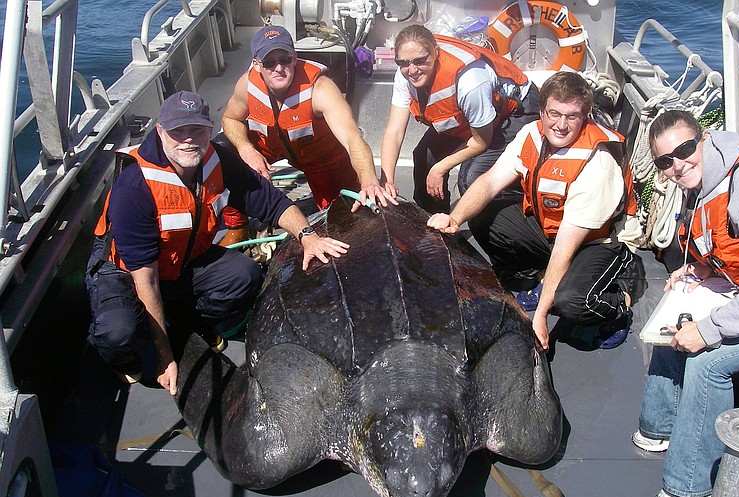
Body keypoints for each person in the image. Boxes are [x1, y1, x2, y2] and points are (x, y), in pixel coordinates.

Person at [86, 91, 349, 396]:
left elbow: (271, 202)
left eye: (196, 130)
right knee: (119, 333)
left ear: (209, 130)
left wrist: (308, 236)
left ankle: (184, 319)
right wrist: (165, 355)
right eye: (178, 131)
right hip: (125, 273)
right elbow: (145, 279)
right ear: (159, 131)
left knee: (244, 276)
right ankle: (126, 352)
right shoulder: (135, 186)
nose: (188, 140)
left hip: (182, 262)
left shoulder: (217, 159)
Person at [632, 110, 739, 497]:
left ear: (703, 138)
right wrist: (701, 270)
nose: (678, 165)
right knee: (679, 309)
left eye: (686, 150)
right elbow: (737, 245)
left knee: (710, 359)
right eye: (665, 161)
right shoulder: (707, 177)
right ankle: (659, 426)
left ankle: (687, 485)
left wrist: (711, 330)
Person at [427, 71, 641, 351]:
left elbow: (567, 244)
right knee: (483, 215)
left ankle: (619, 305)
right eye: (554, 113)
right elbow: (491, 181)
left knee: (572, 303)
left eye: (572, 116)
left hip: (599, 243)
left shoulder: (597, 163)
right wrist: (454, 218)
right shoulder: (532, 133)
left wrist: (539, 315)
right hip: (552, 228)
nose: (561, 125)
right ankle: (542, 276)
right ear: (541, 111)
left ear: (585, 116)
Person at [222, 25, 395, 227]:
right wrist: (246, 149)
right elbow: (230, 119)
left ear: (294, 58)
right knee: (225, 157)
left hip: (323, 160)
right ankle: (237, 226)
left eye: (285, 60)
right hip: (271, 147)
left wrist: (369, 182)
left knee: (346, 218)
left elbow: (352, 139)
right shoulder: (247, 85)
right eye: (269, 62)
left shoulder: (320, 90)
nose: (278, 68)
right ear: (257, 64)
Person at [380, 24, 539, 214]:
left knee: (471, 178)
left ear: (435, 52)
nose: (412, 70)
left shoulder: (470, 81)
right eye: (404, 63)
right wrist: (386, 180)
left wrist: (441, 168)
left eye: (420, 61)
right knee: (423, 157)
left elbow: (481, 141)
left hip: (515, 111)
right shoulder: (405, 74)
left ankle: (505, 225)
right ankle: (434, 227)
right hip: (471, 117)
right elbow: (394, 131)